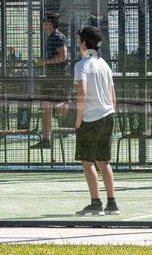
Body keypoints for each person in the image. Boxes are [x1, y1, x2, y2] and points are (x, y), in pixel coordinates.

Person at [72, 26, 120, 216]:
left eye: (80, 40)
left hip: (90, 118)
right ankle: (112, 203)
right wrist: (111, 111)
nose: (79, 44)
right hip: (108, 116)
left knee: (87, 162)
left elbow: (82, 93)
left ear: (84, 43)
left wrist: (78, 119)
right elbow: (112, 94)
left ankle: (96, 203)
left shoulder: (81, 65)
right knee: (103, 161)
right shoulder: (104, 64)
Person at [32, 13, 69, 150]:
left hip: (58, 78)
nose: (44, 25)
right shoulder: (51, 38)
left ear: (52, 25)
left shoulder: (58, 37)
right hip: (52, 77)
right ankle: (47, 139)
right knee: (47, 105)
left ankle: (66, 130)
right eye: (44, 23)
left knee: (57, 104)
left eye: (47, 23)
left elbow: (63, 57)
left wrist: (44, 61)